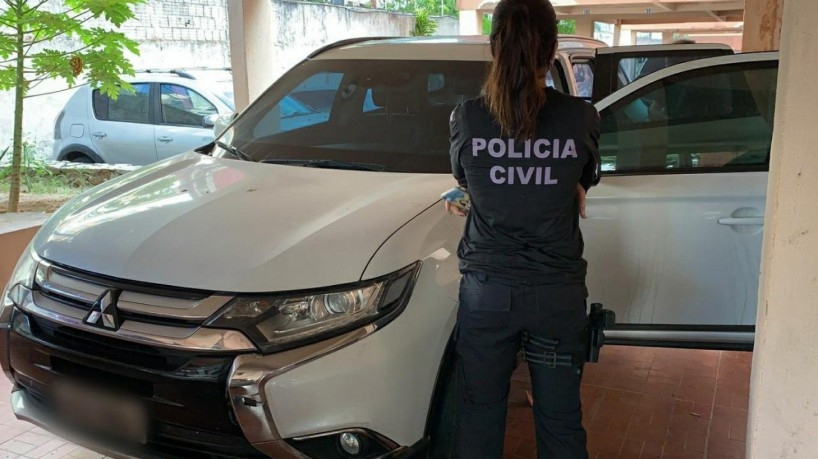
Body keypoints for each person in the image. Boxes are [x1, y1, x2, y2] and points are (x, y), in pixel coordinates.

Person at [445, 0, 600, 457]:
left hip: (487, 294)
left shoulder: (467, 117)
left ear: (494, 47)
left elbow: (464, 183)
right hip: (556, 296)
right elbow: (582, 182)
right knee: (559, 419)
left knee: (479, 410)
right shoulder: (580, 117)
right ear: (552, 48)